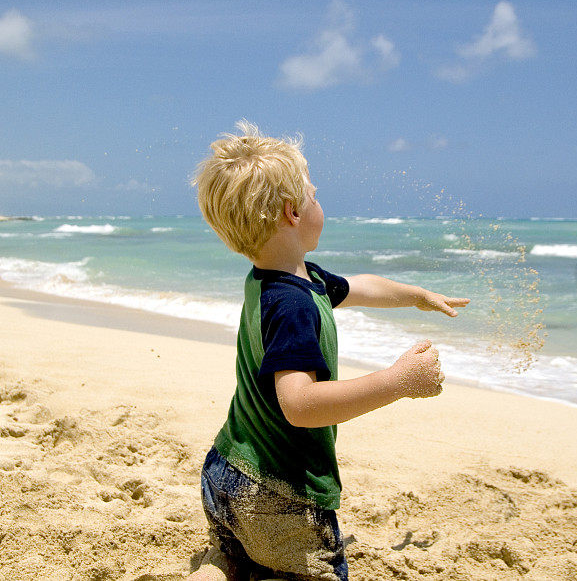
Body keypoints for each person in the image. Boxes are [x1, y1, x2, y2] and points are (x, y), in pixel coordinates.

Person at [186, 121, 469, 580]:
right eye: (315, 196)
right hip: (275, 499)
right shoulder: (294, 304)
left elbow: (359, 286)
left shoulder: (286, 279)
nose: (321, 204)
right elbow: (299, 405)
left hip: (222, 475)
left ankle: (222, 564)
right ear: (292, 212)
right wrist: (398, 382)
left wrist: (414, 294)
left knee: (244, 560)